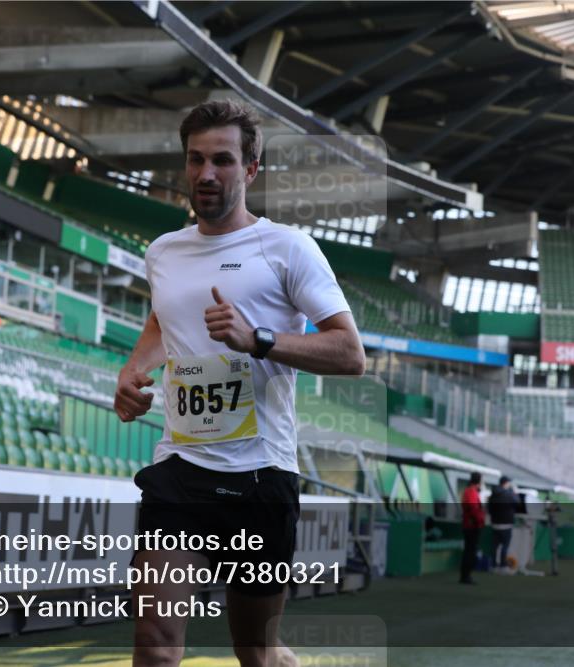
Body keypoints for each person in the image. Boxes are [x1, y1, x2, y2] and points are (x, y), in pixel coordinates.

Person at [112, 100, 365, 667]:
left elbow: (351, 354)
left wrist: (261, 340)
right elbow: (162, 318)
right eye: (196, 159)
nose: (207, 174)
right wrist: (134, 370)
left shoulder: (288, 249)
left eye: (222, 160)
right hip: (180, 469)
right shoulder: (164, 252)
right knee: (153, 640)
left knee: (256, 651)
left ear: (251, 169)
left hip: (261, 475)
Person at [487, 476, 518, 573]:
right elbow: (517, 502)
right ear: (506, 483)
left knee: (494, 546)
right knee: (505, 546)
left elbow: (489, 508)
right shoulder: (509, 494)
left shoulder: (493, 494)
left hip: (495, 523)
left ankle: (493, 566)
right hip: (506, 524)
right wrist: (514, 492)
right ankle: (503, 566)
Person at [460, 472, 485, 585]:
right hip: (472, 526)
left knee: (469, 550)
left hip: (470, 525)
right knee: (470, 551)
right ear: (479, 481)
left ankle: (465, 575)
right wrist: (480, 521)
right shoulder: (472, 492)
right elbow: (473, 508)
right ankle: (466, 576)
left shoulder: (469, 491)